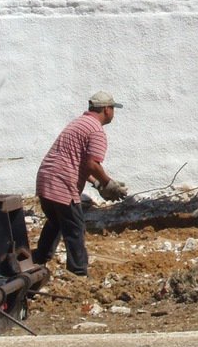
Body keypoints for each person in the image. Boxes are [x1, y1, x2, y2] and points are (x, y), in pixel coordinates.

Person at [32, 91, 129, 276]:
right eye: (113, 109)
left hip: (46, 179)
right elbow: (92, 163)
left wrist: (98, 184)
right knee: (75, 229)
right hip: (62, 183)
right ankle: (78, 273)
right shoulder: (96, 131)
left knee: (55, 222)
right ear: (107, 110)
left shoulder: (79, 123)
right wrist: (109, 184)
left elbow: (78, 162)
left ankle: (37, 260)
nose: (113, 114)